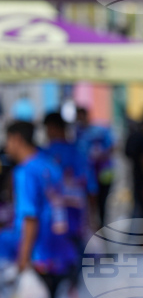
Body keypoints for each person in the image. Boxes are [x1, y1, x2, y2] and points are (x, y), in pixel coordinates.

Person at [1, 121, 78, 298]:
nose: (6, 146)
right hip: (59, 250)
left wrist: (23, 261)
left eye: (8, 140)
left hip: (39, 254)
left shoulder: (25, 172)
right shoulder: (50, 165)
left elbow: (30, 218)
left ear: (17, 140)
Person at [43, 112, 93, 267]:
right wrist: (93, 215)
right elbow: (91, 187)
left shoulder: (44, 155)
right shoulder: (79, 152)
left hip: (52, 219)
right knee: (75, 259)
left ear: (52, 128)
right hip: (75, 217)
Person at [76, 107, 115, 227]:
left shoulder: (100, 130)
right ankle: (93, 224)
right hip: (87, 175)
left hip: (103, 172)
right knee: (90, 201)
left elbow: (112, 147)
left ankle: (101, 224)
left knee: (102, 201)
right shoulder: (77, 133)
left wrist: (101, 154)